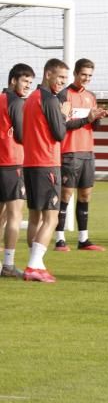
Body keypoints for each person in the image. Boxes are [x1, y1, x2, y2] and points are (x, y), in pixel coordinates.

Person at [17, 58, 70, 282]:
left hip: (30, 163)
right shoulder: (49, 99)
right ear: (48, 74)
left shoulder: (32, 98)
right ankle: (33, 266)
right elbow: (59, 133)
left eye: (65, 79)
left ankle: (35, 264)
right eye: (60, 77)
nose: (62, 83)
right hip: (46, 162)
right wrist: (64, 114)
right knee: (52, 218)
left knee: (36, 217)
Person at [54, 58, 108, 252]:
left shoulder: (91, 96)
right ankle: (59, 239)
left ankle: (83, 239)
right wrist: (88, 118)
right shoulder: (63, 95)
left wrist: (97, 117)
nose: (86, 78)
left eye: (90, 75)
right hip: (69, 151)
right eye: (83, 74)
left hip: (88, 152)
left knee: (85, 195)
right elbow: (63, 125)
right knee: (66, 194)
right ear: (75, 74)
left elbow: (93, 126)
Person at [0, 64, 32, 278]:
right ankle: (9, 265)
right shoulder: (16, 102)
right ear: (13, 81)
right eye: (24, 81)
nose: (28, 86)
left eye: (30, 83)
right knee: (14, 215)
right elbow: (21, 135)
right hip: (12, 163)